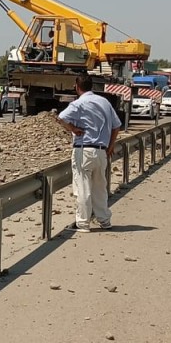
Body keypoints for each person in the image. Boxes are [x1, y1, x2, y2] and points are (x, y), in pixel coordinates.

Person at [57, 75, 123, 231]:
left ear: (77, 87)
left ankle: (83, 223)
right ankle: (104, 220)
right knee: (100, 187)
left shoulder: (78, 103)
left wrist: (73, 129)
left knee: (83, 187)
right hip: (102, 151)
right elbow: (116, 126)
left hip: (84, 149)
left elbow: (61, 118)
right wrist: (111, 145)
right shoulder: (104, 102)